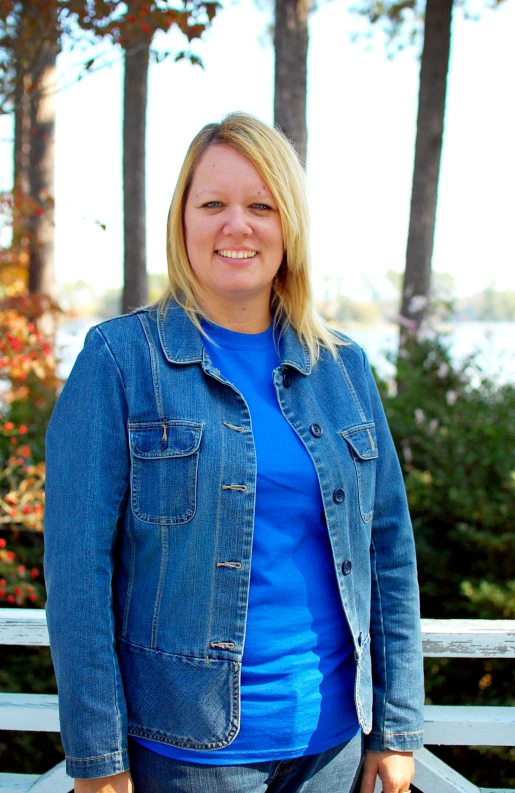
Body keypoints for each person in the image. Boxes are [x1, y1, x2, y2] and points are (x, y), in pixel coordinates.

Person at [44, 112, 425, 793]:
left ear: (289, 225)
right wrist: (98, 759)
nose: (236, 226)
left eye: (260, 205)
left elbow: (388, 552)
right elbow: (76, 577)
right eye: (212, 203)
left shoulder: (343, 368)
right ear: (181, 221)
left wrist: (395, 729)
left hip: (332, 745)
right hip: (185, 753)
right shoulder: (120, 361)